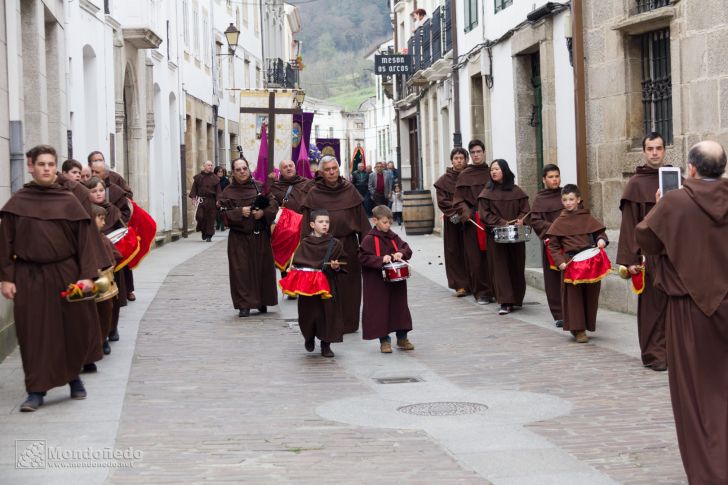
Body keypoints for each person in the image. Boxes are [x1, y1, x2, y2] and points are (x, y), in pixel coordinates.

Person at [635, 140, 728, 484]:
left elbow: (646, 238)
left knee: (695, 394)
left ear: (690, 168)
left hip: (691, 308)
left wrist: (659, 210)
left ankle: (710, 472)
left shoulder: (674, 203)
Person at [0, 145, 103, 412]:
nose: (46, 168)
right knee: (32, 331)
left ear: (55, 167)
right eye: (41, 164)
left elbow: (86, 242)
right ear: (30, 166)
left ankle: (73, 377)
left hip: (66, 274)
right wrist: (6, 278)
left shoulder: (68, 201)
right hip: (28, 275)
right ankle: (35, 389)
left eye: (50, 164)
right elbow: (5, 244)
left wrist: (87, 276)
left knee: (72, 328)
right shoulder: (17, 202)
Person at [617, 132, 670, 371]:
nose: (655, 153)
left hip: (673, 255)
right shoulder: (636, 184)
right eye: (650, 149)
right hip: (648, 256)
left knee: (672, 306)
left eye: (659, 148)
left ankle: (672, 353)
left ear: (665, 150)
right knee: (651, 307)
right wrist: (629, 260)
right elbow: (629, 225)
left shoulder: (673, 178)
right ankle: (653, 354)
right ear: (644, 152)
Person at [300, 156, 371, 333]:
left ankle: (348, 323)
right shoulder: (314, 194)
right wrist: (307, 251)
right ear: (321, 172)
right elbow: (305, 227)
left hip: (347, 246)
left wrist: (369, 250)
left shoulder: (350, 190)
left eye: (334, 168)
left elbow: (363, 224)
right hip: (322, 249)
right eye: (328, 169)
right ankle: (329, 325)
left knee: (349, 288)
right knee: (326, 289)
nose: (332, 172)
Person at [547, 184, 608, 343]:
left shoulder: (586, 217)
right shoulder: (560, 221)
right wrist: (560, 262)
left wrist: (602, 240)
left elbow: (600, 233)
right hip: (571, 263)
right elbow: (552, 245)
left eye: (571, 199)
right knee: (573, 298)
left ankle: (585, 324)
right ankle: (578, 329)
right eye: (565, 200)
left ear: (578, 200)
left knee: (590, 295)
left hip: (589, 261)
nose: (568, 203)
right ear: (562, 201)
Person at [279, 209, 344, 358]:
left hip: (327, 284)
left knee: (328, 314)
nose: (325, 225)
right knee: (308, 314)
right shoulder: (305, 243)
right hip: (307, 287)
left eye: (327, 222)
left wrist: (336, 266)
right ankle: (309, 336)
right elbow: (297, 262)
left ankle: (326, 345)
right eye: (321, 222)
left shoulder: (335, 244)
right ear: (312, 224)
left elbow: (341, 263)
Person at [219, 157, 279, 317]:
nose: (242, 172)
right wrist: (239, 212)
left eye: (244, 168)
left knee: (262, 269)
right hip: (239, 239)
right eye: (238, 169)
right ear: (233, 172)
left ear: (248, 169)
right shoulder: (228, 192)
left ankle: (262, 301)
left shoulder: (259, 187)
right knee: (241, 272)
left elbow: (273, 204)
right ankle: (244, 305)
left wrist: (263, 213)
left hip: (260, 236)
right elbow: (221, 214)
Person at [359, 205, 414, 353]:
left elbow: (407, 248)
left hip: (397, 283)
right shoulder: (369, 239)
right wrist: (380, 259)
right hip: (377, 283)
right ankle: (384, 341)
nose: (388, 225)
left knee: (400, 309)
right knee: (380, 310)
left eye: (390, 222)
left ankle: (402, 338)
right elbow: (363, 258)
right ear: (374, 220)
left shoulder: (393, 236)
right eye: (384, 222)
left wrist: (400, 253)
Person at [478, 159, 530, 315]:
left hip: (516, 236)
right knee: (500, 268)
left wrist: (522, 220)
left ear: (505, 171)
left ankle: (516, 298)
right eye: (492, 169)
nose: (493, 172)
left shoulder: (517, 192)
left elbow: (526, 210)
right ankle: (505, 302)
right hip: (496, 236)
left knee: (516, 265)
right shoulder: (486, 193)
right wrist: (501, 222)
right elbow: (484, 214)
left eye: (497, 169)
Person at [86, 176, 129, 344]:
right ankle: (100, 335)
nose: (98, 194)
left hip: (113, 256)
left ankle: (112, 327)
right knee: (98, 299)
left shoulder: (112, 209)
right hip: (95, 258)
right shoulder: (84, 209)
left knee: (113, 297)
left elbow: (122, 229)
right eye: (94, 191)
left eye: (101, 190)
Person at [453, 139, 494, 305]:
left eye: (479, 151)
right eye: (473, 153)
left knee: (492, 257)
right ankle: (482, 292)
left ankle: (494, 290)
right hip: (472, 222)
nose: (476, 155)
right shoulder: (465, 175)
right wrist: (466, 212)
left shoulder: (492, 171)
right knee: (475, 259)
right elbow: (458, 199)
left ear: (484, 152)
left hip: (491, 221)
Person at [528, 164, 565, 327]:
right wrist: (554, 229)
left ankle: (573, 310)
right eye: (551, 177)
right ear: (544, 180)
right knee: (553, 279)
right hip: (552, 242)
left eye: (556, 176)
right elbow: (535, 220)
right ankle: (558, 314)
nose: (554, 179)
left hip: (570, 242)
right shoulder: (540, 199)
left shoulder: (567, 194)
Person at [434, 148, 470, 297]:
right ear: (452, 160)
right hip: (453, 220)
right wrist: (456, 214)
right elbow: (442, 202)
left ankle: (473, 283)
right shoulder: (444, 181)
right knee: (454, 252)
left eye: (462, 158)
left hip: (470, 220)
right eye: (456, 158)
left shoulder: (471, 176)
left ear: (466, 159)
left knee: (470, 252)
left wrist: (468, 213)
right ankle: (460, 285)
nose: (459, 160)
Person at [90, 203, 120, 357]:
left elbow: (115, 255)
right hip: (91, 283)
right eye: (100, 219)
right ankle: (97, 342)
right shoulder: (86, 240)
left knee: (106, 311)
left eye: (104, 219)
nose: (103, 222)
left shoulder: (104, 239)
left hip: (106, 281)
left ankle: (104, 338)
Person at [189, 160, 220, 242]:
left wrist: (218, 200)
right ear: (204, 166)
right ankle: (203, 231)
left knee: (210, 218)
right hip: (201, 200)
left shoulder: (215, 178)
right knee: (200, 216)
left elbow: (218, 191)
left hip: (212, 201)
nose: (210, 167)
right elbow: (194, 188)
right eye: (208, 165)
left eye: (211, 165)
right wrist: (193, 198)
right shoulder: (198, 177)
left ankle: (209, 235)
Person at [214, 166, 230, 232]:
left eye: (221, 172)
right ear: (216, 172)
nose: (220, 173)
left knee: (222, 211)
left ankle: (223, 225)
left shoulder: (226, 180)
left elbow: (228, 189)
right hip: (214, 197)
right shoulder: (213, 180)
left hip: (223, 198)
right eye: (219, 172)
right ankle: (218, 223)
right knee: (216, 212)